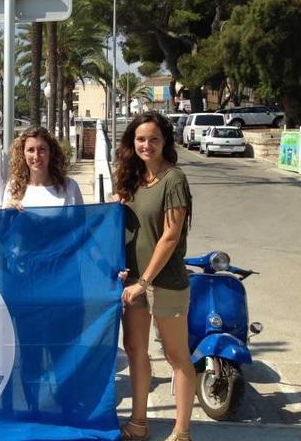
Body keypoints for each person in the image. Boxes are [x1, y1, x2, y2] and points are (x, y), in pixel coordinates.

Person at [115, 112, 195, 441]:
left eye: (153, 139)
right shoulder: (133, 180)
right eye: (140, 139)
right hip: (132, 282)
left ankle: (182, 431)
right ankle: (138, 423)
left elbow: (171, 236)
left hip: (163, 284)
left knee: (176, 356)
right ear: (132, 144)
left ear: (165, 142)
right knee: (135, 350)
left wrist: (143, 282)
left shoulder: (173, 179)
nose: (146, 145)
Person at [3, 126, 83, 209]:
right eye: (31, 150)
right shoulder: (13, 187)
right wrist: (7, 213)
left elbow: (80, 221)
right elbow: (4, 221)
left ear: (51, 152)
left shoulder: (69, 187)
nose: (36, 156)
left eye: (42, 149)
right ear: (23, 154)